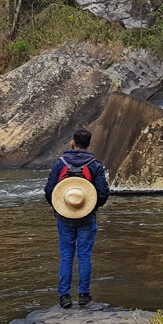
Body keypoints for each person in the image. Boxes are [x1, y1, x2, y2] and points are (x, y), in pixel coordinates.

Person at [44, 128, 110, 308]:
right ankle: (83, 295)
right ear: (89, 144)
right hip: (87, 216)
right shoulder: (95, 164)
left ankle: (64, 296)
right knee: (84, 256)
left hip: (64, 216)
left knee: (66, 256)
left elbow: (49, 190)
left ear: (73, 142)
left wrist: (60, 207)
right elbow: (103, 192)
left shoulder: (60, 163)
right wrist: (92, 206)